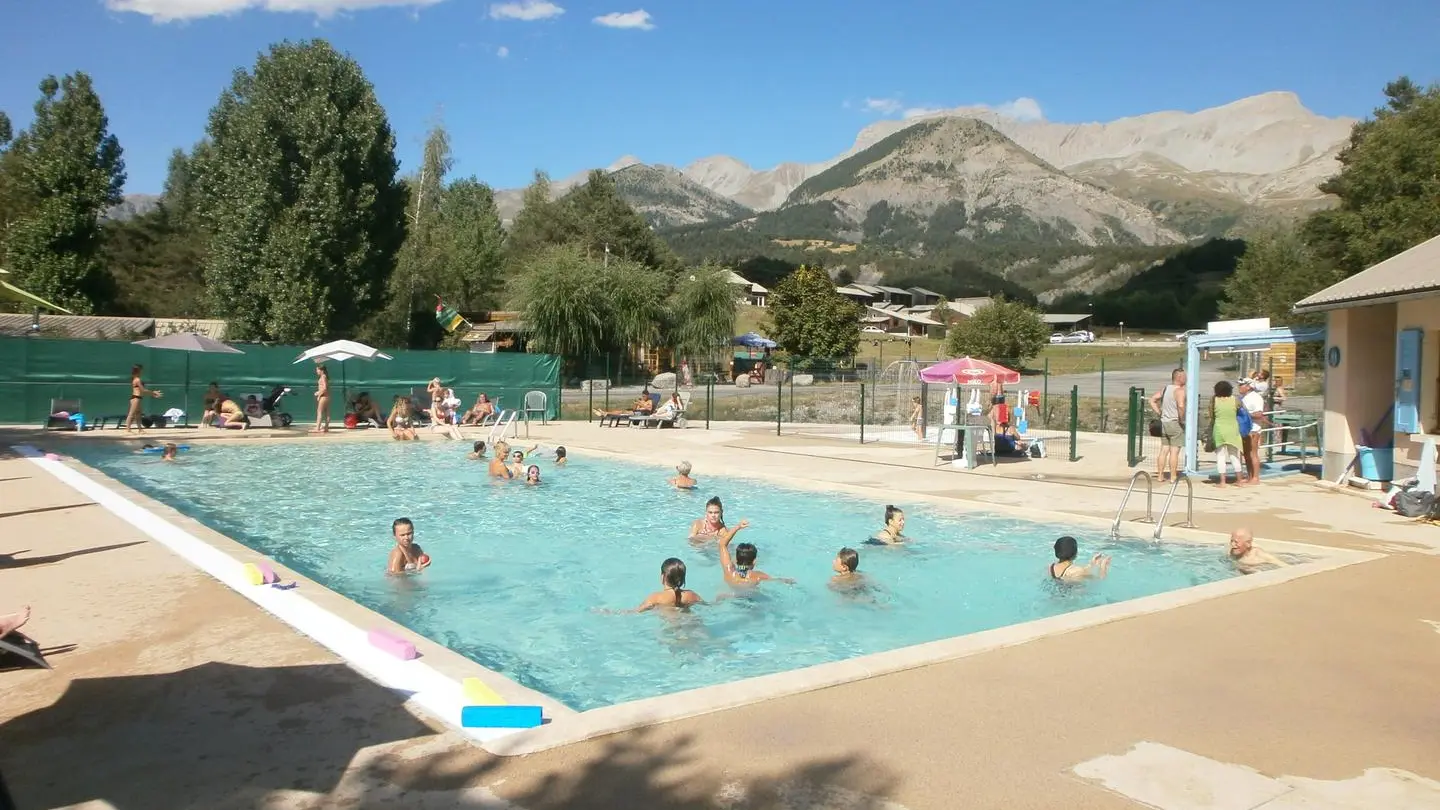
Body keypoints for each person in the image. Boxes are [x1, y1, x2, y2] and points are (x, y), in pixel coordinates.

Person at [718, 520, 793, 587]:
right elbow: (777, 580)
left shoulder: (729, 571)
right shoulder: (758, 576)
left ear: (736, 560)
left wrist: (737, 527)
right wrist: (788, 580)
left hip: (733, 597)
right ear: (754, 561)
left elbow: (722, 544)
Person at [1149, 368, 1187, 482]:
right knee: (1174, 451)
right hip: (1174, 423)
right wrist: (1181, 419)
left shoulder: (1165, 389)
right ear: (1179, 377)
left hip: (1164, 423)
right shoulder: (1180, 391)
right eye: (1184, 376)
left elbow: (1152, 400)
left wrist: (1160, 412)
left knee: (1164, 450)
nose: (1186, 378)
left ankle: (1160, 475)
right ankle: (1173, 476)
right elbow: (1180, 406)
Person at [634, 558, 704, 611]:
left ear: (662, 577)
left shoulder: (656, 597)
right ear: (682, 578)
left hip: (671, 627)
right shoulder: (691, 595)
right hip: (692, 623)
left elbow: (637, 611)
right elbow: (708, 605)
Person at [1210, 381, 1244, 487]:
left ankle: (1222, 482)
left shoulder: (1214, 400)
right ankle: (1239, 480)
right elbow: (1240, 410)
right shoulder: (1235, 400)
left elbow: (1211, 415)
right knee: (1234, 455)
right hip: (1233, 429)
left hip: (1219, 429)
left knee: (1221, 456)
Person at [1238, 378, 1270, 485]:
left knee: (1253, 453)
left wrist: (1246, 415)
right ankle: (1250, 475)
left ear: (1248, 386)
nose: (1239, 387)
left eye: (1241, 385)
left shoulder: (1256, 398)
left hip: (1253, 429)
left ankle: (1256, 477)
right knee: (1246, 454)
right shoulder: (1243, 397)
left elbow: (1259, 414)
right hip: (1244, 429)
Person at [125, 364, 163, 434]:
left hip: (138, 398)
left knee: (138, 414)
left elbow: (141, 392)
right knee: (131, 414)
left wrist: (153, 394)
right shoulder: (137, 380)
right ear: (138, 371)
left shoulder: (136, 379)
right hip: (135, 398)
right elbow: (143, 390)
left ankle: (140, 429)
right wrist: (153, 392)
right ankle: (128, 429)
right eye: (141, 370)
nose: (142, 371)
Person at [312, 364, 331, 434]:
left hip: (323, 397)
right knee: (327, 413)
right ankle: (326, 428)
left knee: (319, 412)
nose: (316, 371)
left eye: (317, 370)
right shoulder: (325, 376)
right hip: (327, 396)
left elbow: (325, 388)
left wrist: (318, 394)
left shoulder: (323, 377)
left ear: (321, 370)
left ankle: (317, 428)